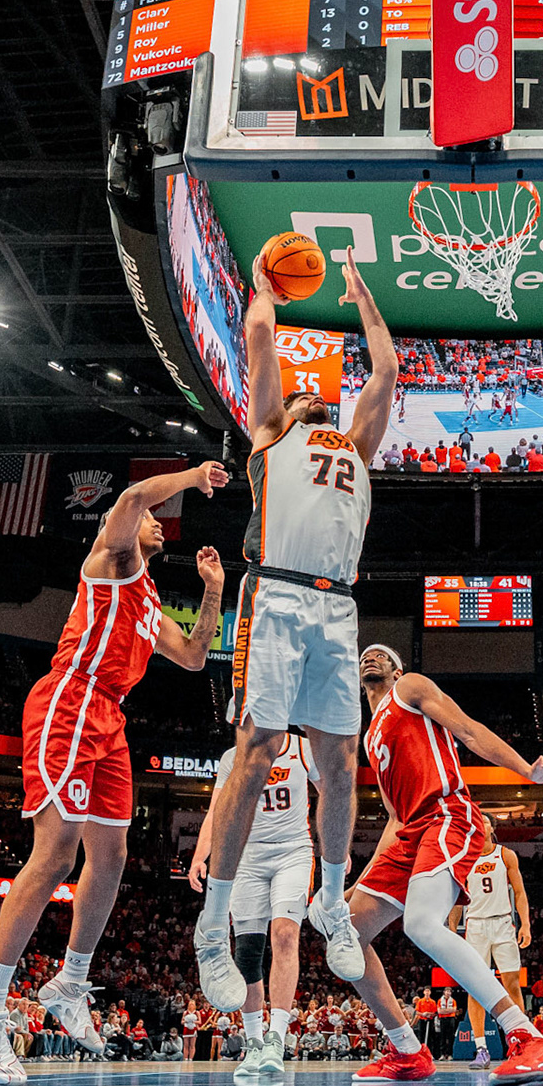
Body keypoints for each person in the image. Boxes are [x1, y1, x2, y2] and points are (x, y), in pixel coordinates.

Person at [0, 459, 229, 1084]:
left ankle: (69, 983)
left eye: (162, 520)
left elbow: (190, 657)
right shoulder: (115, 561)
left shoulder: (150, 599)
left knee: (112, 856)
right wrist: (189, 479)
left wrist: (212, 589)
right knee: (53, 856)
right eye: (152, 520)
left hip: (109, 718)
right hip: (69, 702)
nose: (158, 524)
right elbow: (131, 496)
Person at [197, 248, 398, 1010]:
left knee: (342, 764)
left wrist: (361, 296)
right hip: (275, 598)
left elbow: (384, 372)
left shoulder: (356, 447)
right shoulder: (268, 438)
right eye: (304, 394)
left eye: (321, 394)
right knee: (257, 748)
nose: (315, 396)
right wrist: (265, 291)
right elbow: (258, 340)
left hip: (337, 608)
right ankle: (213, 923)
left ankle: (333, 901)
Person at [327, 645, 543, 1085]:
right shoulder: (370, 738)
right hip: (411, 831)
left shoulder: (410, 687)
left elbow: (469, 731)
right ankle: (407, 1050)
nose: (371, 657)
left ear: (397, 668)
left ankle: (530, 1037)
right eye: (365, 654)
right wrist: (359, 885)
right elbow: (394, 819)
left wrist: (527, 772)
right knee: (346, 930)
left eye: (381, 654)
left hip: (447, 813)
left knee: (420, 924)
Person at [189, 730, 319, 1078]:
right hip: (246, 857)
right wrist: (201, 855)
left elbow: (334, 795)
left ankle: (277, 1035)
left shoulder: (303, 748)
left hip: (293, 852)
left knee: (285, 935)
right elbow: (217, 812)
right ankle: (254, 1042)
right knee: (247, 951)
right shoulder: (234, 757)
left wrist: (340, 851)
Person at [451, 815, 532, 1070]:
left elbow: (519, 892)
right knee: (476, 987)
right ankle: (481, 1049)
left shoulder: (505, 855)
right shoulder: (465, 858)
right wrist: (452, 929)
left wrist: (526, 924)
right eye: (477, 821)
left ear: (491, 828)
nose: (480, 824)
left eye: (485, 821)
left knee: (512, 985)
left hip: (503, 924)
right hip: (475, 925)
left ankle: (520, 1044)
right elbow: (457, 897)